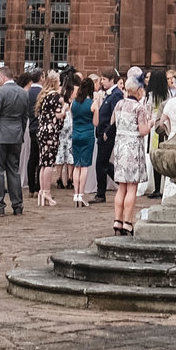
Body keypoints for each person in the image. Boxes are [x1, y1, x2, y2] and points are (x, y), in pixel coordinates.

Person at [108, 73, 152, 236]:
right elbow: (143, 131)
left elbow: (113, 123)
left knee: (121, 187)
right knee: (132, 187)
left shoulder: (119, 104)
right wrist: (151, 123)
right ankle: (127, 222)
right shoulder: (138, 108)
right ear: (139, 91)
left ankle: (117, 220)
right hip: (133, 149)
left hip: (120, 147)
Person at [0, 65, 29, 216]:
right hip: (15, 134)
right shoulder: (23, 92)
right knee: (13, 170)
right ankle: (17, 205)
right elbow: (24, 117)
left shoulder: (0, 92)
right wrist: (20, 133)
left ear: (2, 77)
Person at [32, 67, 71, 208]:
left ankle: (43, 191)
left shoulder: (44, 95)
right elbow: (58, 115)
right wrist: (65, 109)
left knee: (43, 162)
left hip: (42, 130)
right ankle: (46, 191)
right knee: (49, 163)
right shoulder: (54, 96)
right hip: (51, 132)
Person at [69, 75, 98, 205]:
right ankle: (81, 193)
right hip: (87, 135)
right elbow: (96, 123)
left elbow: (72, 117)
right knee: (85, 166)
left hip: (75, 134)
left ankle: (75, 194)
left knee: (77, 165)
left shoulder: (73, 103)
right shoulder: (92, 104)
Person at [94, 70, 122, 201]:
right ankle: (121, 183)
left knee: (101, 163)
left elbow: (116, 116)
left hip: (107, 134)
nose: (102, 82)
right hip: (102, 133)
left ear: (112, 80)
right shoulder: (110, 94)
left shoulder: (116, 95)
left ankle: (101, 193)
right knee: (102, 163)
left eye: (104, 79)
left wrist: (107, 132)